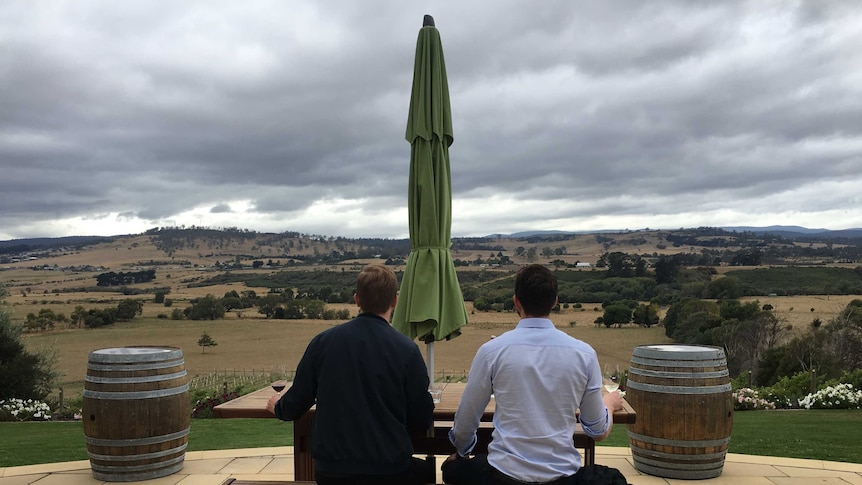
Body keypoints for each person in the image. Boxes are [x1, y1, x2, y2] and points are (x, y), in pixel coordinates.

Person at [443, 264, 624, 485]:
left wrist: (462, 453)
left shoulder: (491, 351)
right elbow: (598, 430)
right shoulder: (584, 354)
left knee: (450, 470)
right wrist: (610, 404)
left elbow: (465, 422)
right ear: (555, 302)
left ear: (516, 301)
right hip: (563, 477)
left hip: (503, 476)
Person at [266, 264, 435, 485]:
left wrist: (278, 406)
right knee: (428, 471)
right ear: (395, 300)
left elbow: (297, 401)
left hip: (332, 472)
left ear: (357, 299)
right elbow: (421, 418)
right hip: (390, 470)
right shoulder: (407, 350)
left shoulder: (323, 342)